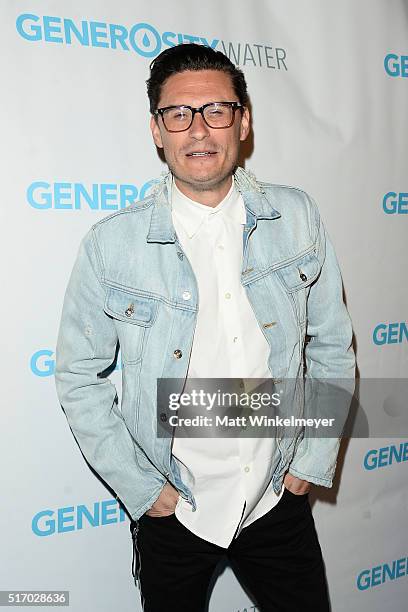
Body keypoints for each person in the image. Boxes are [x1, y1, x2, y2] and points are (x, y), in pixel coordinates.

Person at [55, 43, 355, 612]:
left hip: (275, 497)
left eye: (217, 110)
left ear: (243, 122)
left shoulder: (297, 219)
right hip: (175, 507)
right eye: (179, 115)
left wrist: (311, 462)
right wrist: (144, 490)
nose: (199, 130)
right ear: (157, 130)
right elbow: (77, 376)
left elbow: (334, 348)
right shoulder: (110, 246)